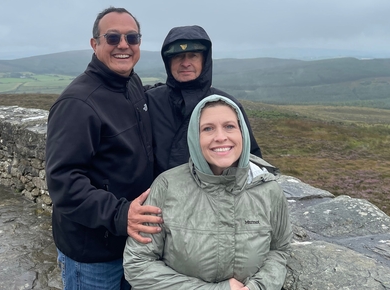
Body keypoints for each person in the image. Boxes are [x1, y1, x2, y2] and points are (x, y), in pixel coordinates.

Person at [45, 6, 163, 290]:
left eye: (132, 38)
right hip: (93, 254)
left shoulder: (130, 83)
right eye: (113, 38)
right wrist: (121, 215)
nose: (123, 45)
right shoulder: (77, 104)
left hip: (131, 244)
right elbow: (64, 183)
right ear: (94, 44)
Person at [123, 94, 292, 290]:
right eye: (208, 128)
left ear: (242, 133)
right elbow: (137, 263)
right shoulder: (167, 186)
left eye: (229, 126)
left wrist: (259, 287)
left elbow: (279, 250)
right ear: (195, 138)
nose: (220, 137)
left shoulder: (268, 189)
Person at [147, 25, 262, 176]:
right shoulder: (150, 101)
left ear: (204, 60)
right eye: (177, 56)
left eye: (193, 55)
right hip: (159, 195)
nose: (185, 63)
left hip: (216, 195)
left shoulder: (227, 104)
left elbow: (250, 155)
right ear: (168, 62)